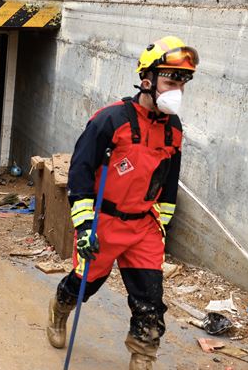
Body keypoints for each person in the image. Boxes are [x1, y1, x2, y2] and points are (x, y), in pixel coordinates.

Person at [45, 36, 198, 369]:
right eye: (171, 80)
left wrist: (163, 224)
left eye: (183, 83)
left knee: (150, 302)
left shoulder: (173, 128)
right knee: (86, 284)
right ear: (148, 80)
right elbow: (81, 173)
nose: (178, 90)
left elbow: (169, 180)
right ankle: (60, 308)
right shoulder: (109, 120)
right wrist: (85, 225)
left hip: (144, 226)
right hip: (105, 223)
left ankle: (143, 357)